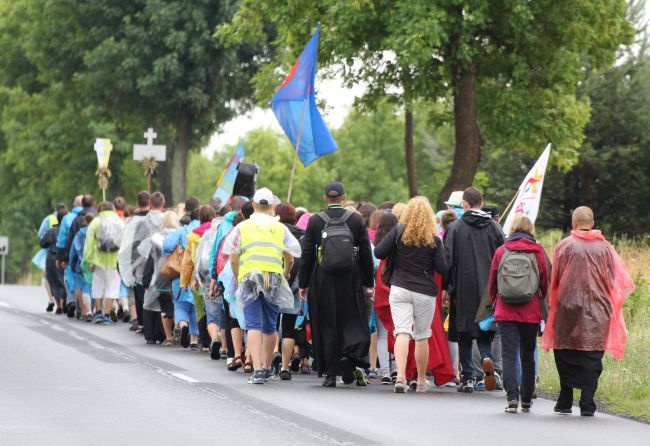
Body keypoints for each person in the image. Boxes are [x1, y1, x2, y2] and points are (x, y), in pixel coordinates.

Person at [541, 207, 634, 416]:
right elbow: (615, 280)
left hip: (567, 307)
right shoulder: (606, 248)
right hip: (598, 309)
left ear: (574, 223)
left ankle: (565, 400)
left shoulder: (564, 246)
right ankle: (587, 402)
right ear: (592, 223)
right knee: (593, 354)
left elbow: (554, 279)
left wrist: (552, 304)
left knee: (564, 350)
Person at [299, 181, 374, 388]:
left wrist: (304, 283)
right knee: (351, 320)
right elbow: (366, 253)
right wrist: (368, 283)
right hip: (350, 279)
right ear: (343, 197)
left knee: (326, 324)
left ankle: (330, 373)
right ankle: (349, 357)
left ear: (325, 198)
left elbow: (307, 254)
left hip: (323, 279)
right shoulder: (356, 220)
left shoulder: (315, 221)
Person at [223, 188, 301, 384]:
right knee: (270, 324)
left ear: (254, 206)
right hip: (272, 277)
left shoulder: (243, 227)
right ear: (272, 206)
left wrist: (238, 276)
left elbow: (233, 257)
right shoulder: (280, 228)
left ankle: (257, 369)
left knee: (253, 324)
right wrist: (285, 273)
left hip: (249, 276)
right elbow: (290, 256)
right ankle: (267, 367)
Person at [375, 197, 450, 393]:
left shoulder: (399, 232)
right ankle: (422, 379)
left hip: (399, 288)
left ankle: (400, 377)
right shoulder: (433, 239)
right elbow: (443, 268)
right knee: (422, 336)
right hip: (424, 291)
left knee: (401, 332)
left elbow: (379, 252)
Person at [444, 187, 505, 393]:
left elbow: (448, 260)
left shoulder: (456, 228)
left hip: (462, 288)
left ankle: (468, 377)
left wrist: (447, 287)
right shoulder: (494, 228)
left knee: (464, 334)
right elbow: (502, 257)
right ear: (481, 201)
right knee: (485, 331)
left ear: (465, 204)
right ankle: (487, 360)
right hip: (488, 288)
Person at [488, 215, 549, 413]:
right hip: (530, 311)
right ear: (530, 230)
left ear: (512, 229)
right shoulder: (538, 251)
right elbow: (544, 282)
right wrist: (540, 300)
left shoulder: (501, 251)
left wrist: (493, 301)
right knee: (528, 354)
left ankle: (511, 397)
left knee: (508, 353)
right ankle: (526, 399)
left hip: (505, 311)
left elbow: (493, 281)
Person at [163, 197, 201, 349]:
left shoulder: (182, 230)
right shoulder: (207, 229)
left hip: (182, 274)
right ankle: (194, 339)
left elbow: (166, 246)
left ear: (186, 211)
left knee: (180, 306)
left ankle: (183, 325)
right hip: (200, 276)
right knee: (197, 307)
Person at [274, 203, 306, 380]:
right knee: (288, 329)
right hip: (293, 288)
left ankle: (272, 354)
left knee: (270, 325)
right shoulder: (302, 236)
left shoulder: (271, 232)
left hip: (271, 284)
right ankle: (285, 366)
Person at [180, 205, 217, 350]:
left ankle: (205, 342)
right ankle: (218, 338)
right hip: (214, 275)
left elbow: (187, 261)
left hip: (198, 277)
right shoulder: (216, 232)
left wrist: (184, 282)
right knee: (215, 307)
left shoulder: (193, 236)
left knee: (201, 309)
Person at [141, 210, 180, 345]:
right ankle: (179, 328)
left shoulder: (156, 237)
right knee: (177, 304)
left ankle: (168, 337)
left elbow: (151, 259)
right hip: (179, 273)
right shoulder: (180, 234)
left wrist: (146, 279)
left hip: (162, 275)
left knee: (164, 307)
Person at [83, 201, 125, 324]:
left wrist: (89, 260)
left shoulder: (96, 222)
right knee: (113, 287)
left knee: (98, 285)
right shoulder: (120, 222)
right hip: (115, 261)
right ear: (113, 209)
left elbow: (89, 242)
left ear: (100, 209)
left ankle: (99, 313)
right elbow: (125, 243)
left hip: (98, 260)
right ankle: (107, 315)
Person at [69, 213, 96, 322]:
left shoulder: (79, 234)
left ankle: (87, 311)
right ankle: (94, 310)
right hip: (95, 264)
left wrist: (72, 265)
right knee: (94, 288)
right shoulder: (96, 232)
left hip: (81, 264)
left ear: (85, 221)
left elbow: (73, 251)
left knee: (84, 288)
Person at [41, 210, 68, 314]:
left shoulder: (51, 231)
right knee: (63, 280)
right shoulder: (67, 230)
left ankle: (58, 306)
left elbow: (42, 243)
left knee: (52, 280)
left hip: (52, 257)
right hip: (64, 257)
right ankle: (64, 302)